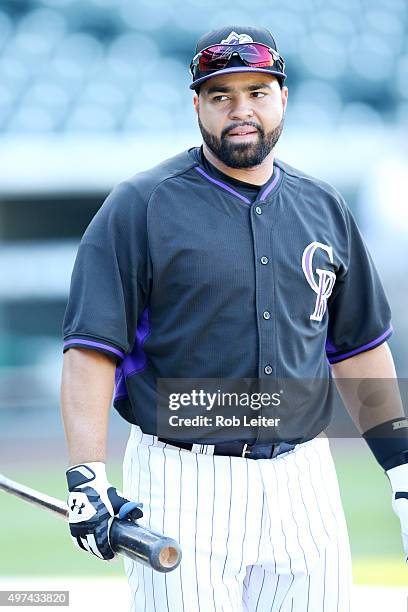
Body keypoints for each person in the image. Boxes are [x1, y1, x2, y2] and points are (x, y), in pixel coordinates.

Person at [61, 25, 408, 612]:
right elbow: (91, 350)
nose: (240, 110)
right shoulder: (140, 205)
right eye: (221, 96)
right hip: (180, 482)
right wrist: (85, 476)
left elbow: (357, 348)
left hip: (306, 482)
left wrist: (402, 470)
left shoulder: (324, 207)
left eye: (257, 92)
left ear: (283, 98)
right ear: (197, 104)